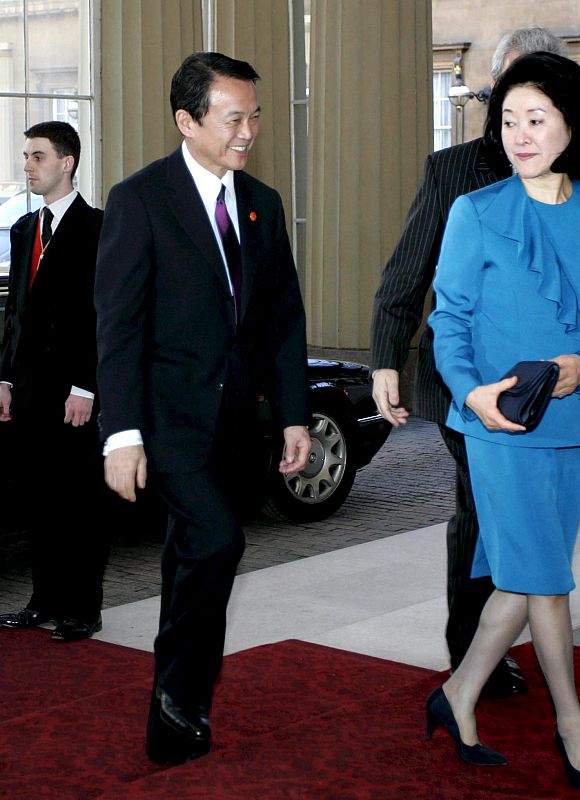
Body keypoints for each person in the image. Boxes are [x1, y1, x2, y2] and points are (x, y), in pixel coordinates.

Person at [370, 27, 580, 696]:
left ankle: (476, 677)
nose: (515, 123)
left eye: (536, 106)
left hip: (564, 396)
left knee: (520, 525)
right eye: (505, 103)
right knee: (483, 514)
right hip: (472, 388)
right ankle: (474, 664)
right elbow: (408, 276)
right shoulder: (453, 173)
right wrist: (382, 360)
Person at [425, 51, 580, 795]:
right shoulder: (476, 212)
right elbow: (447, 319)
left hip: (570, 420)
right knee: (545, 577)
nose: (519, 133)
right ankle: (571, 720)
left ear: (569, 124)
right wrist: (468, 393)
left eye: (535, 118)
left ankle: (456, 695)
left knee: (521, 576)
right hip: (497, 424)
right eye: (508, 120)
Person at [94, 52, 311, 765]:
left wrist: (292, 415)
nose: (247, 132)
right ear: (187, 121)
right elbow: (118, 326)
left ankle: (172, 709)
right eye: (231, 118)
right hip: (167, 422)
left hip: (237, 423)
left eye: (254, 116)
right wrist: (120, 434)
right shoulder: (140, 199)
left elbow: (282, 318)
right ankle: (181, 694)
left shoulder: (263, 203)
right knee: (219, 542)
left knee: (192, 556)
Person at [0, 122, 108, 642]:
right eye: (26, 156)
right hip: (28, 388)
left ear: (66, 162)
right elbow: (15, 313)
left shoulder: (100, 229)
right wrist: (3, 376)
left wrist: (86, 387)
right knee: (39, 498)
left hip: (73, 392)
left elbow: (103, 315)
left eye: (37, 156)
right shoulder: (24, 230)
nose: (28, 165)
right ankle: (43, 601)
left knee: (78, 501)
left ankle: (83, 608)